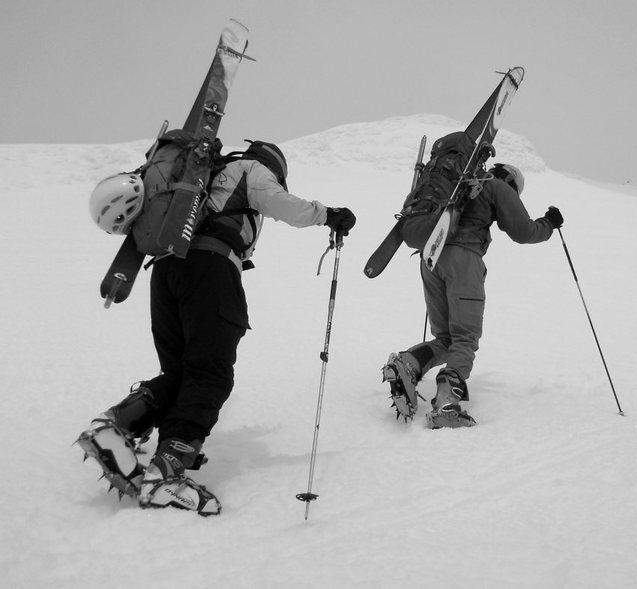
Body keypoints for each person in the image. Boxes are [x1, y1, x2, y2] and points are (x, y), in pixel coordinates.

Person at [78, 141, 356, 515]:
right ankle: (166, 473)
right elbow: (283, 204)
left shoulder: (202, 180)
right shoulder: (250, 170)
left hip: (165, 270)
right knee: (210, 374)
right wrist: (329, 215)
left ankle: (116, 425)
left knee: (181, 372)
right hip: (210, 267)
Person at [383, 148, 563, 429]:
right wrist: (549, 224)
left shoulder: (458, 183)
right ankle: (446, 405)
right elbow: (523, 231)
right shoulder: (496, 186)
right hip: (463, 259)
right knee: (465, 338)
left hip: (430, 258)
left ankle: (409, 363)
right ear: (512, 183)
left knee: (447, 338)